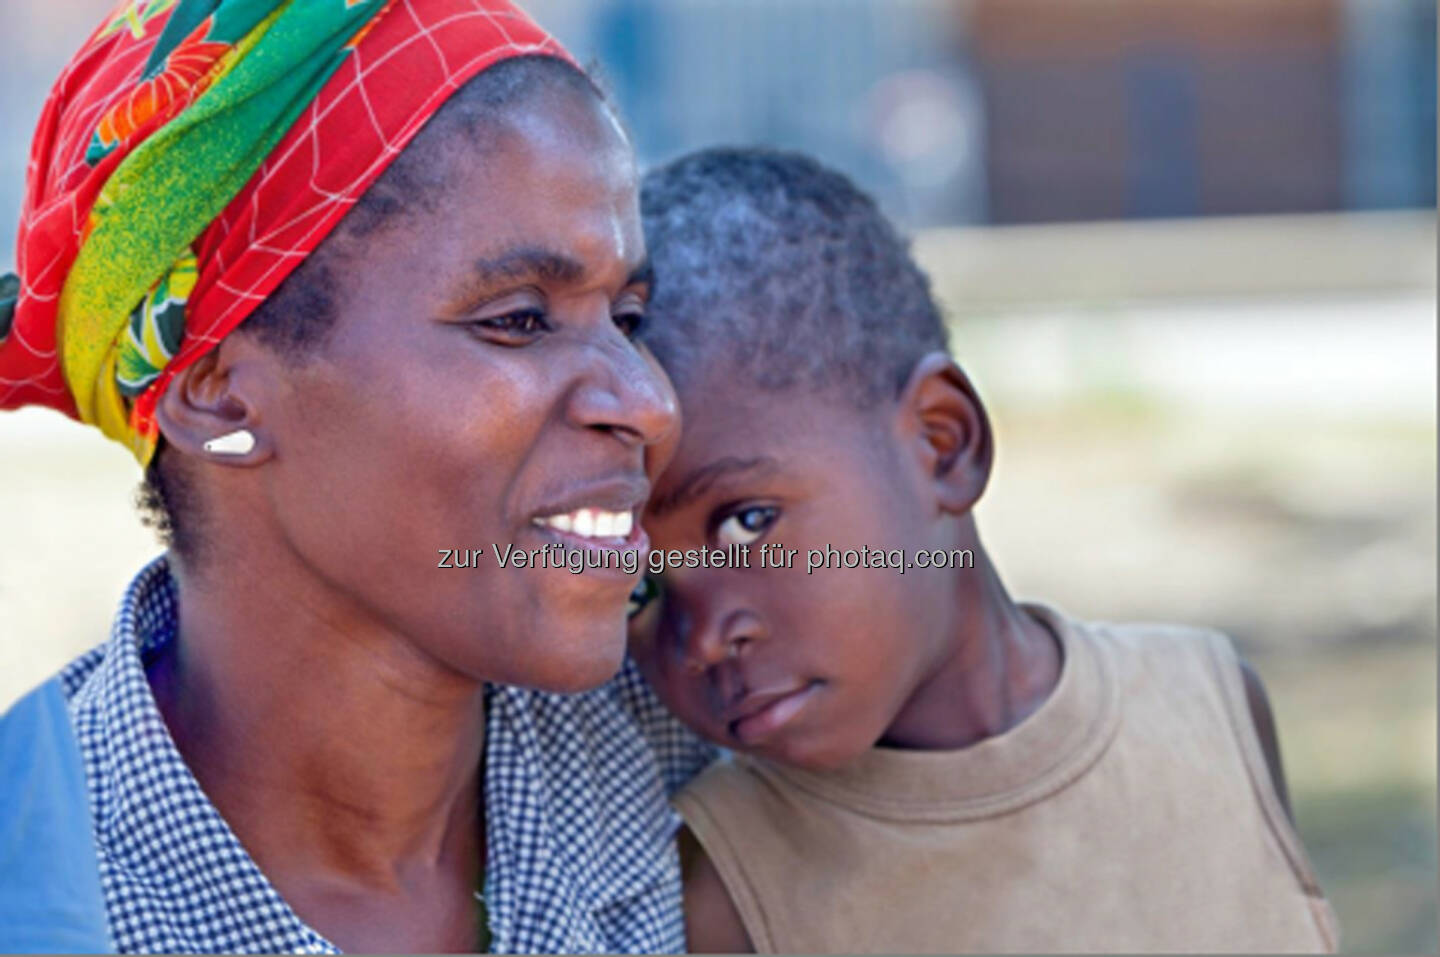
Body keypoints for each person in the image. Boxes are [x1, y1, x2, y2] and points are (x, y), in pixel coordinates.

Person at [0, 2, 713, 952]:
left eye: (626, 317)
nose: (648, 403)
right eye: (517, 319)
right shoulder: (41, 895)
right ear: (218, 394)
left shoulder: (705, 746)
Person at [626, 147, 1340, 954]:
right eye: (643, 585)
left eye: (747, 523)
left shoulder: (1211, 709)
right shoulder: (724, 888)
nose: (705, 635)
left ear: (942, 443)